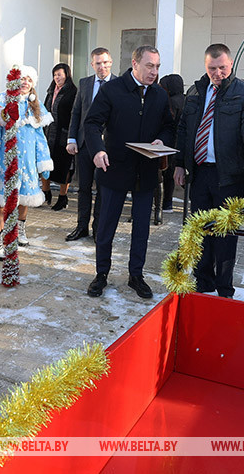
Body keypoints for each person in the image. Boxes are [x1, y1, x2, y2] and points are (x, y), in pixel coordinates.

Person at [173, 44, 244, 298]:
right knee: (202, 230)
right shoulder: (195, 91)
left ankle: (225, 289)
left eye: (222, 68)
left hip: (230, 176)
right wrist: (181, 163)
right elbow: (183, 129)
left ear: (231, 63)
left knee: (226, 235)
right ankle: (203, 283)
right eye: (212, 68)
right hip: (200, 173)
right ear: (205, 66)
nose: (218, 73)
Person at [84, 46, 174, 298]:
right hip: (114, 170)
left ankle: (136, 275)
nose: (154, 72)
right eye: (149, 66)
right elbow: (91, 123)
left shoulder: (159, 95)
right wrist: (98, 150)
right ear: (134, 64)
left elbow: (168, 126)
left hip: (146, 172)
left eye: (157, 67)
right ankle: (101, 274)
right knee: (106, 227)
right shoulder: (112, 90)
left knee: (142, 228)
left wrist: (160, 140)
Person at [0, 65, 54, 258]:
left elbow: (40, 136)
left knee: (25, 199)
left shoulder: (36, 106)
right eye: (22, 78)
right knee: (3, 202)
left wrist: (44, 160)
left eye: (29, 80)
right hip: (5, 161)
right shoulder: (1, 100)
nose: (25, 82)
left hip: (28, 163)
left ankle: (19, 231)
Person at [65, 48, 117, 242]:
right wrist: (71, 139)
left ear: (110, 62)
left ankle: (98, 229)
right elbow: (76, 112)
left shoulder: (118, 84)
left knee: (103, 189)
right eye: (97, 63)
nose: (101, 67)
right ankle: (81, 227)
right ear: (92, 64)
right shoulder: (84, 83)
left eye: (105, 62)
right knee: (83, 188)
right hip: (85, 144)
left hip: (107, 147)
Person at [41, 63, 78, 212]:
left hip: (64, 134)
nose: (57, 78)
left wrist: (71, 135)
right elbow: (44, 109)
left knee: (64, 166)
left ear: (66, 75)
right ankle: (45, 192)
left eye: (60, 75)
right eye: (55, 75)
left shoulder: (73, 92)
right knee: (45, 164)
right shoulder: (51, 91)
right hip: (49, 134)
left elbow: (74, 113)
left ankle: (63, 197)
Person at [153, 73, 185, 225]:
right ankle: (168, 204)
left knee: (162, 175)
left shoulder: (170, 102)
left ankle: (161, 206)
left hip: (168, 143)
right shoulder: (186, 100)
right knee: (172, 175)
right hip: (180, 144)